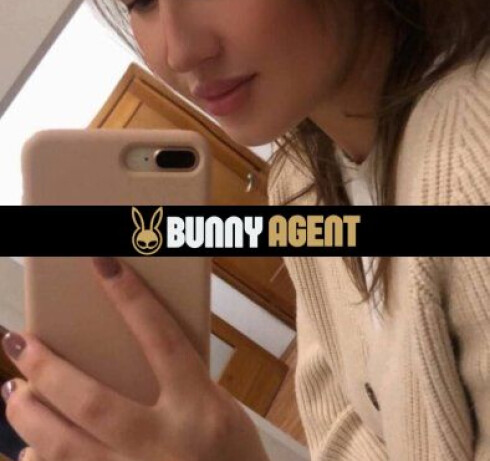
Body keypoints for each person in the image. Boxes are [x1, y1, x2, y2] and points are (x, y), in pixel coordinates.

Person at [2, 0, 489, 460]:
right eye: (141, 0)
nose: (179, 51)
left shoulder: (474, 153)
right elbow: (342, 429)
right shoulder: (301, 184)